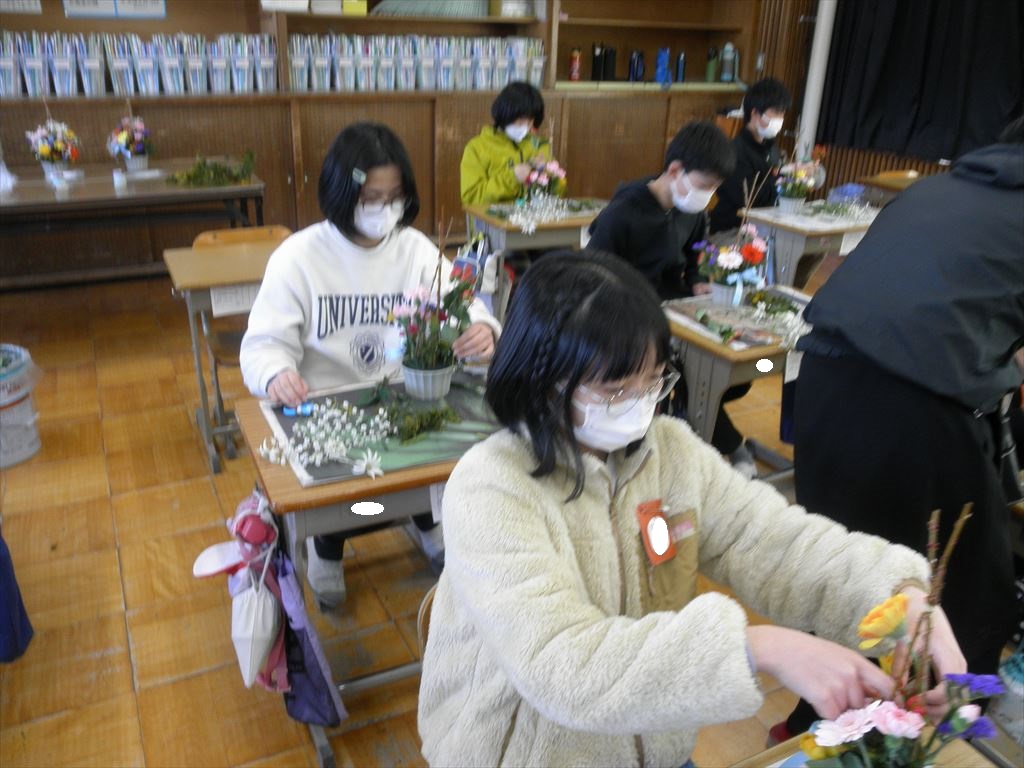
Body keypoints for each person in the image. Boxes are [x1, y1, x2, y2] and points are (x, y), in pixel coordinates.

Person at [417, 250, 965, 767]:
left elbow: (773, 541)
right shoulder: (493, 487)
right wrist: (758, 648)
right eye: (615, 389)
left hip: (656, 743)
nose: (641, 403)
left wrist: (898, 595)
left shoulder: (671, 452)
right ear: (541, 381)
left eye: (653, 379)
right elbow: (563, 665)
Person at [776, 115, 1024, 741]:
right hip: (913, 407)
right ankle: (938, 730)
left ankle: (813, 725)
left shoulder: (937, 188)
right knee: (969, 586)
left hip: (822, 381)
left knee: (850, 563)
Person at [240, 122, 501, 606]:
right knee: (354, 497)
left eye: (395, 197)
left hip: (407, 398)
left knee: (434, 471)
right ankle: (328, 544)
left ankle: (427, 520)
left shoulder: (414, 249)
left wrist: (483, 328)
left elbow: (464, 306)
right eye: (372, 198)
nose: (385, 210)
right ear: (342, 194)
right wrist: (276, 373)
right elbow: (263, 344)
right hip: (329, 404)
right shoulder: (298, 258)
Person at [587, 120, 757, 477]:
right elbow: (594, 277)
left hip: (676, 308)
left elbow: (694, 256)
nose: (708, 196)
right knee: (690, 374)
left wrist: (696, 282)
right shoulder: (622, 214)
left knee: (732, 367)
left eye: (714, 188)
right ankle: (727, 446)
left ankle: (706, 437)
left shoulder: (689, 210)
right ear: (675, 170)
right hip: (629, 317)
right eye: (704, 186)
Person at [709, 77, 792, 235]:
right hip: (732, 231)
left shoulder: (771, 148)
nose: (780, 119)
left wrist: (792, 175)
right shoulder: (734, 151)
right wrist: (784, 177)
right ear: (755, 113)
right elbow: (751, 199)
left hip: (765, 227)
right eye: (775, 113)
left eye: (782, 114)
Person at [460, 81, 564, 206]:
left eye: (530, 121)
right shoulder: (477, 148)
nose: (526, 126)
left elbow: (557, 194)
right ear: (506, 114)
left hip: (533, 216)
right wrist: (512, 177)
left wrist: (551, 177)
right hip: (493, 217)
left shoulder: (539, 145)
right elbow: (471, 198)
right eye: (521, 120)